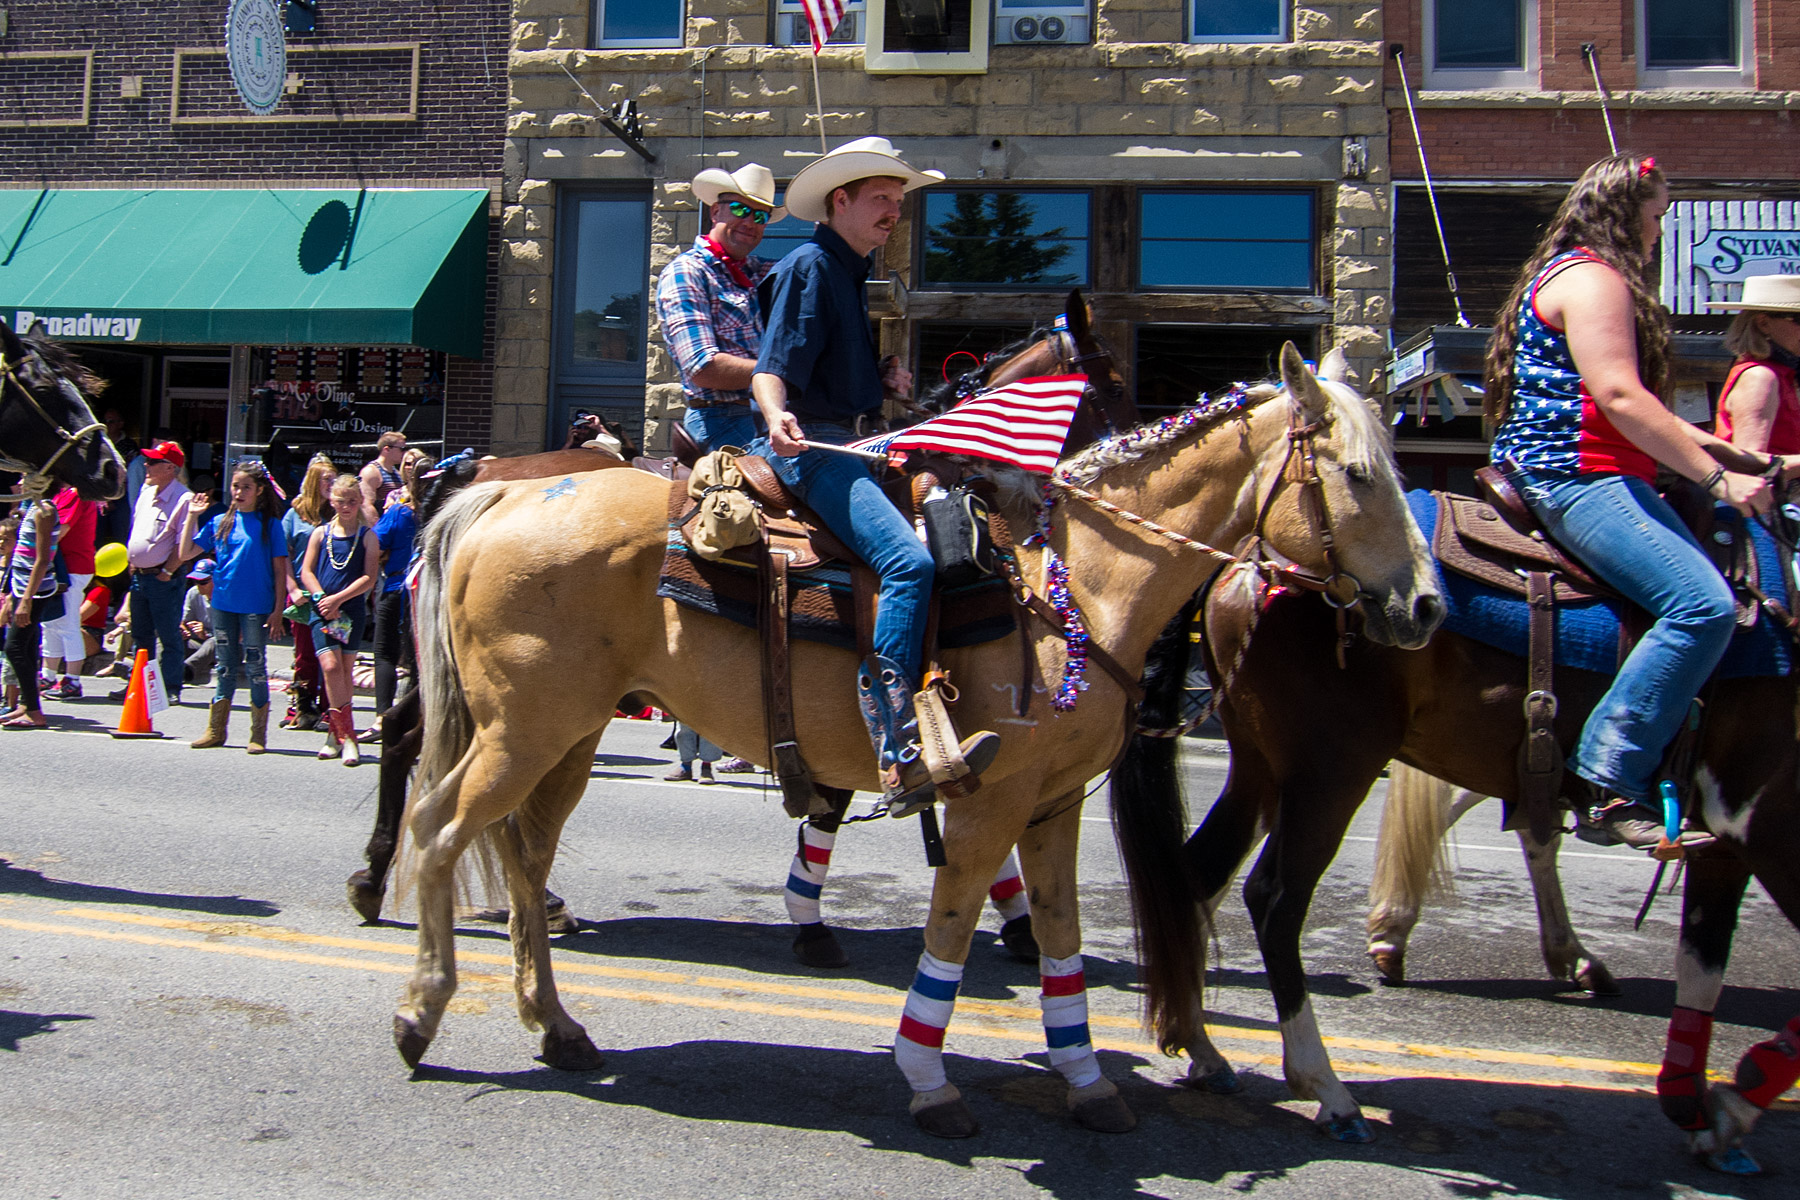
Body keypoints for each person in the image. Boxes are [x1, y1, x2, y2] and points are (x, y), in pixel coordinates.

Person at [1484, 153, 1789, 849]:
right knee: (1703, 605)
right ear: (1626, 213)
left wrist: (1739, 456)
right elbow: (1620, 399)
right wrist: (1721, 484)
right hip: (1576, 475)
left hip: (1593, 469)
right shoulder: (1595, 280)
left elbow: (1637, 407)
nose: (1660, 229)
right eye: (1656, 216)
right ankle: (1609, 778)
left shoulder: (1573, 274)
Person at [748, 137, 997, 814]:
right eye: (882, 198)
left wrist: (879, 380)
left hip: (848, 440)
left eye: (899, 199)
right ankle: (896, 746)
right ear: (841, 201)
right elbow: (774, 369)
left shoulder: (849, 272)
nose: (895, 211)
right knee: (911, 563)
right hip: (811, 451)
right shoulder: (811, 266)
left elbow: (827, 370)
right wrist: (775, 417)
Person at [656, 162, 786, 452]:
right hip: (720, 418)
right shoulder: (687, 272)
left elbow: (811, 274)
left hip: (765, 414)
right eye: (741, 210)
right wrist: (782, 373)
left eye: (761, 215)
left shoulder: (761, 272)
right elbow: (703, 367)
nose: (750, 222)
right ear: (716, 212)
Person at [178, 461, 288, 753]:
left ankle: (258, 735)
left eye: (246, 487)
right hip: (223, 604)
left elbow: (280, 570)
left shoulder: (270, 525)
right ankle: (215, 730)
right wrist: (192, 517)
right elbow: (185, 552)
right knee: (224, 666)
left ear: (259, 490)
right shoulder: (218, 522)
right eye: (235, 486)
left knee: (255, 666)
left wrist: (278, 610)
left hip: (256, 606)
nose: (239, 492)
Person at [301, 475, 379, 764]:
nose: (345, 506)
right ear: (331, 501)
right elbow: (307, 571)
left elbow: (368, 577)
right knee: (330, 666)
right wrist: (322, 597)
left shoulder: (367, 536)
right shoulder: (320, 534)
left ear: (359, 502)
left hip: (349, 610)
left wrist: (339, 599)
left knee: (345, 671)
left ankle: (336, 736)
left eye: (351, 501)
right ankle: (348, 737)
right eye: (340, 501)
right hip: (321, 609)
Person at [118, 440, 192, 705]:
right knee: (140, 634)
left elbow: (182, 543)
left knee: (169, 633)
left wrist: (168, 571)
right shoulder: (146, 492)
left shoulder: (183, 498)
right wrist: (133, 562)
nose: (146, 465)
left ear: (170, 468)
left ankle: (171, 685)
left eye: (153, 462)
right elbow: (136, 528)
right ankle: (139, 685)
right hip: (140, 575)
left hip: (163, 578)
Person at [367, 448, 425, 738]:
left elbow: (374, 542)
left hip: (396, 588)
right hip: (427, 593)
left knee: (386, 653)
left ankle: (382, 717)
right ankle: (415, 720)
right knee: (419, 657)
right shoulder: (438, 512)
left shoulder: (399, 511)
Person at [1710, 274, 1800, 460]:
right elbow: (1750, 461)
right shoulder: (1760, 376)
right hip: (1774, 488)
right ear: (1764, 323)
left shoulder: (1780, 373)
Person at [281, 454, 337, 730]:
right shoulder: (295, 514)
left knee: (330, 653)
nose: (332, 483)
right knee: (304, 654)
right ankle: (304, 709)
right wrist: (291, 588)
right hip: (303, 596)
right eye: (327, 479)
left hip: (332, 596)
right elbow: (284, 555)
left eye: (334, 479)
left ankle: (330, 710)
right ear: (314, 482)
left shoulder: (339, 513)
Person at [2, 494, 65, 729]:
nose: (19, 482)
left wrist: (26, 599)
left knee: (14, 647)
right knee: (26, 647)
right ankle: (27, 704)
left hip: (34, 589)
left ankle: (35, 712)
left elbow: (42, 559)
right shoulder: (30, 507)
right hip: (22, 585)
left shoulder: (44, 511)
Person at [41, 483, 99, 698]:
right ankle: (48, 675)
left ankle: (73, 681)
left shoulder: (76, 493)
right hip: (60, 567)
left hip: (72, 566)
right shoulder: (62, 493)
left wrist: (35, 556)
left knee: (67, 622)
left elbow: (59, 531)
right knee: (51, 622)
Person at [180, 559, 216, 687]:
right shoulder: (193, 593)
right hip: (199, 644)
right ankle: (156, 668)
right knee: (170, 638)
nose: (199, 585)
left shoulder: (226, 596)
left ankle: (185, 671)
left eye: (203, 582)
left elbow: (232, 634)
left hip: (225, 647)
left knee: (215, 642)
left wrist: (205, 635)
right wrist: (183, 629)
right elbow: (185, 621)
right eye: (196, 581)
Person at [359, 432, 407, 526]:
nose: (404, 453)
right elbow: (366, 505)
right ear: (387, 449)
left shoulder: (397, 473)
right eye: (401, 449)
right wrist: (379, 530)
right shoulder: (371, 472)